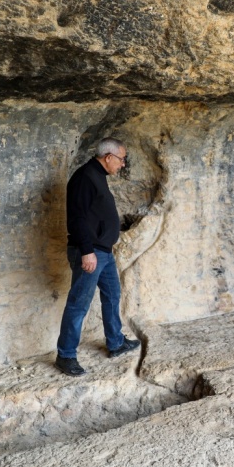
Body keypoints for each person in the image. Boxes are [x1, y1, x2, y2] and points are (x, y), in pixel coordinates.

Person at [55, 137, 140, 376]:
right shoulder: (85, 178)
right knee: (79, 304)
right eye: (121, 159)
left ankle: (115, 342)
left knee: (112, 295)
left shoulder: (97, 176)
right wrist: (87, 251)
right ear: (108, 157)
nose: (123, 164)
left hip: (103, 252)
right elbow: (77, 219)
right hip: (91, 252)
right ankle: (66, 355)